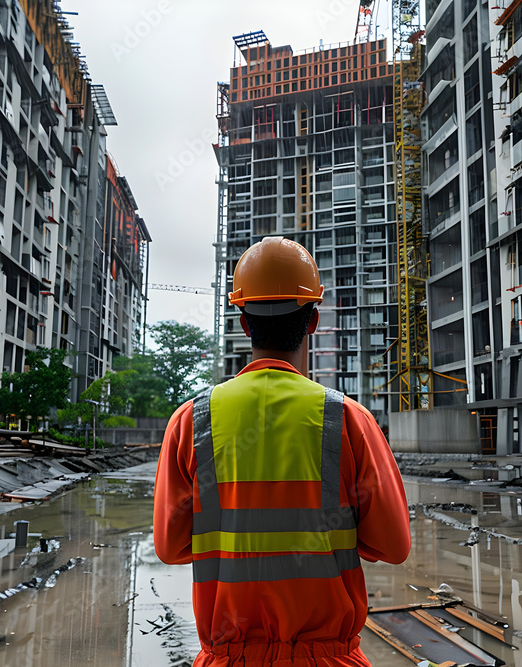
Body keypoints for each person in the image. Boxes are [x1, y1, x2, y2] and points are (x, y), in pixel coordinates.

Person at [154, 237, 411, 666]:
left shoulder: (192, 421)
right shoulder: (349, 420)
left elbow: (169, 547)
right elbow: (394, 546)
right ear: (312, 321)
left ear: (243, 323)